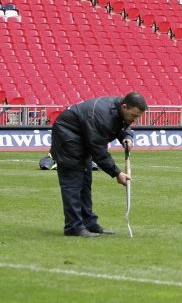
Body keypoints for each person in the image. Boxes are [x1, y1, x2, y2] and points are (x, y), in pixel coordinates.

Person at [50, 92, 147, 237]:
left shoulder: (121, 110)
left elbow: (123, 125)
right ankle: (74, 227)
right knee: (73, 183)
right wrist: (117, 173)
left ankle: (89, 223)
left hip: (82, 137)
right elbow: (98, 150)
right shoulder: (102, 115)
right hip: (67, 137)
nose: (135, 120)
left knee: (85, 181)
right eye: (134, 116)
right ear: (125, 107)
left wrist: (127, 137)